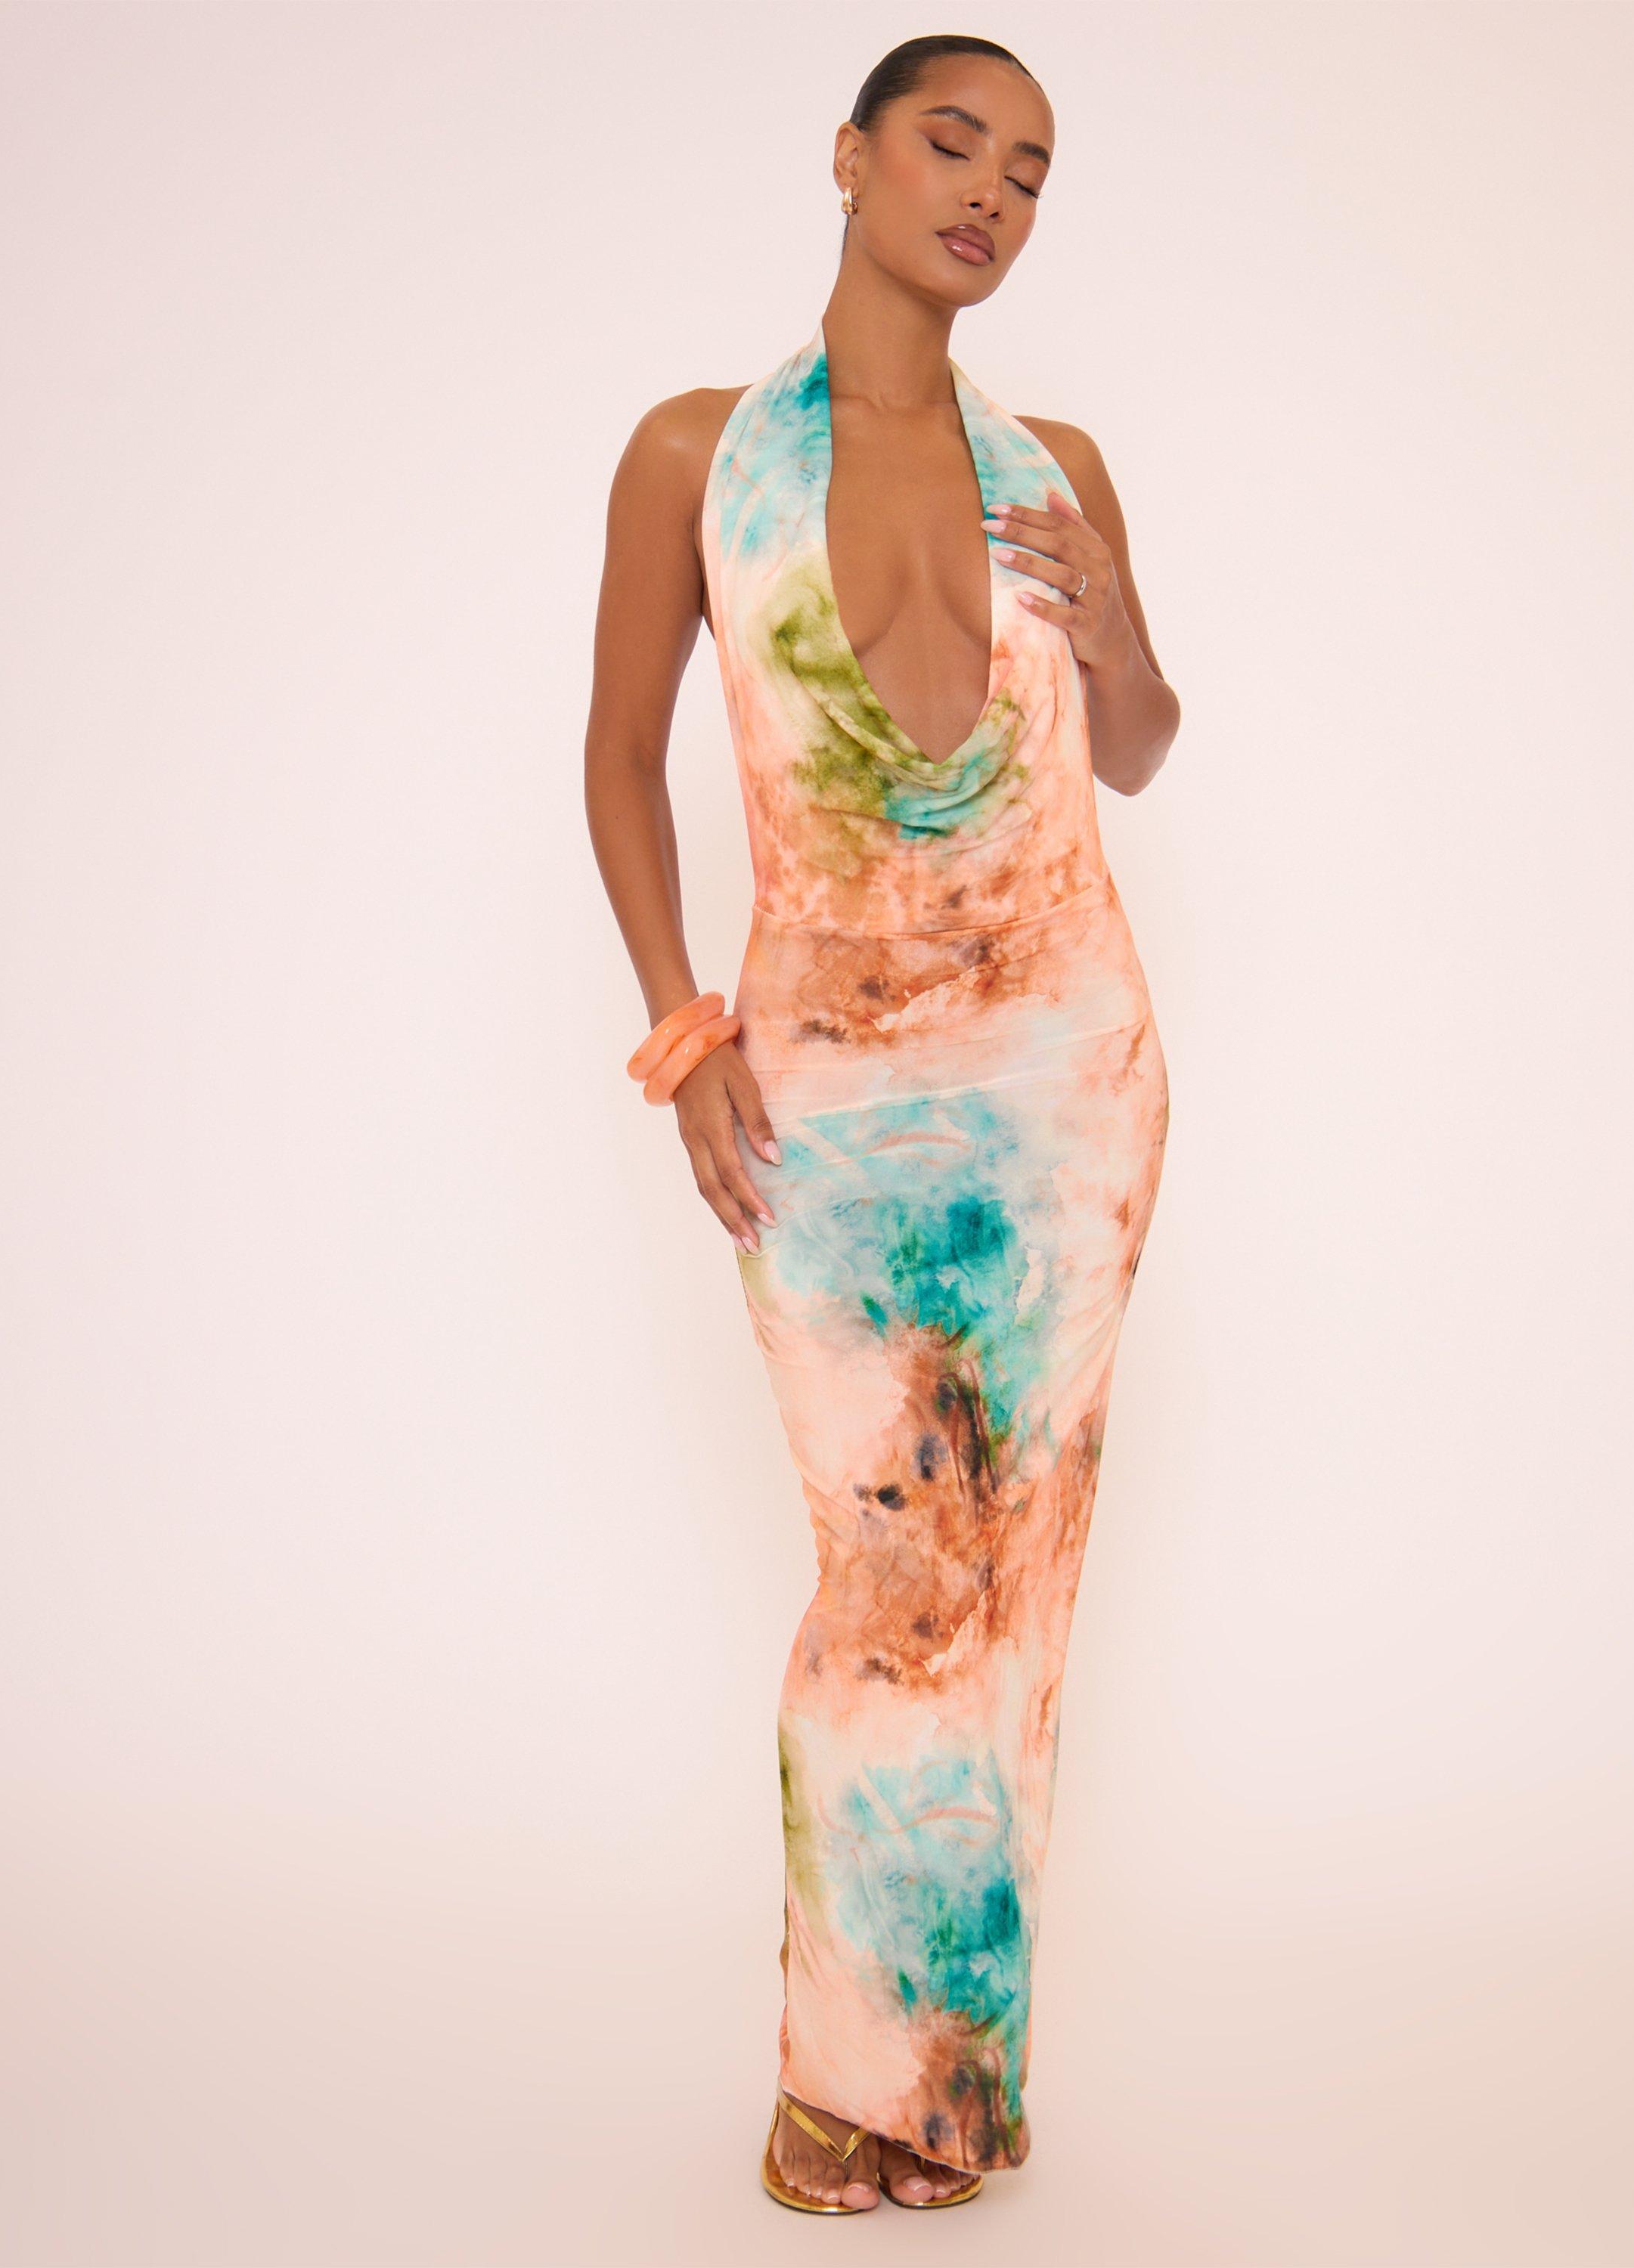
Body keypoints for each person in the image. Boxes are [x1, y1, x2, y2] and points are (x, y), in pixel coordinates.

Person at [584, 32, 1178, 2214]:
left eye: (1030, 169)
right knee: (887, 1573)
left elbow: (1141, 747)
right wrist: (685, 1033)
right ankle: (841, 2074)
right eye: (952, 142)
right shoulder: (695, 453)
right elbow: (614, 756)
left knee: (1015, 1582)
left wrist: (1110, 624)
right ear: (848, 157)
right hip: (826, 1094)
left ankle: (946, 2089)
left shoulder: (1062, 468)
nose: (990, 192)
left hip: (1065, 1093)